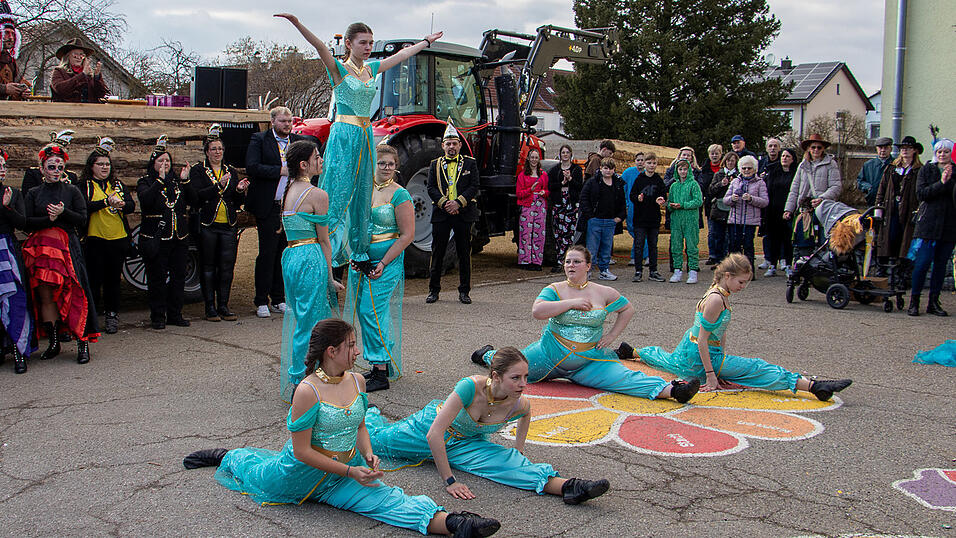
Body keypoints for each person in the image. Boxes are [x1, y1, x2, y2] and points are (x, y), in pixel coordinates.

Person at [183, 319, 502, 538]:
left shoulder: (358, 380)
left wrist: (368, 453)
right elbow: (301, 451)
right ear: (331, 351)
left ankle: (455, 524)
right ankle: (227, 455)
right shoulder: (307, 391)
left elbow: (360, 424)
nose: (358, 351)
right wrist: (351, 471)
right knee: (255, 472)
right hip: (298, 475)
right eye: (351, 345)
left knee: (386, 498)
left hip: (344, 474)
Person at [276, 14, 442, 273]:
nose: (368, 47)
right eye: (363, 42)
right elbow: (319, 46)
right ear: (349, 44)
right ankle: (328, 249)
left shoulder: (371, 69)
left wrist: (425, 42)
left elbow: (401, 56)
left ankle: (359, 249)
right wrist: (297, 23)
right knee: (338, 191)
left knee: (364, 192)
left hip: (365, 135)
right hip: (345, 135)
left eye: (370, 43)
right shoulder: (339, 69)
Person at [365, 347, 610, 504]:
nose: (523, 384)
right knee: (375, 441)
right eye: (516, 378)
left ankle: (570, 486)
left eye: (525, 377)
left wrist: (519, 450)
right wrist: (450, 481)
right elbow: (433, 435)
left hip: (467, 444)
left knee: (508, 464)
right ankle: (370, 412)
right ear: (495, 377)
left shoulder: (519, 403)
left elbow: (526, 415)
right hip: (424, 431)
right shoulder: (470, 386)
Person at [474, 245, 700, 403]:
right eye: (567, 261)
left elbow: (627, 309)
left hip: (588, 362)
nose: (570, 265)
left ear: (588, 266)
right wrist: (570, 303)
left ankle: (674, 391)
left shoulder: (603, 292)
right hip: (548, 355)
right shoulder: (554, 289)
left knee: (623, 377)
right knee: (510, 368)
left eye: (577, 262)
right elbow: (537, 311)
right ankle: (486, 354)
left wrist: (611, 336)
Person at [634, 253, 852, 399]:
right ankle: (815, 387)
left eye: (745, 282)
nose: (743, 287)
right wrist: (711, 374)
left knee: (666, 360)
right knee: (757, 368)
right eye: (741, 282)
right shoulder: (716, 299)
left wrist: (721, 361)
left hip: (695, 351)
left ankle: (633, 351)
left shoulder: (720, 291)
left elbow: (717, 333)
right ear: (727, 276)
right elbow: (702, 340)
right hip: (700, 355)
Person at [343, 144, 413, 393]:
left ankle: (380, 371)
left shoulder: (400, 194)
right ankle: (381, 362)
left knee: (371, 311)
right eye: (382, 163)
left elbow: (407, 235)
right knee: (370, 313)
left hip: (387, 263)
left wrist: (383, 262)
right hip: (362, 261)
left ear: (396, 166)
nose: (386, 168)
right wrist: (354, 255)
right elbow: (353, 225)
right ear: (374, 164)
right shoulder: (365, 190)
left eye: (391, 164)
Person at [279, 140, 343, 402]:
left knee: (302, 318)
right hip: (309, 258)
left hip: (291, 256)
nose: (321, 161)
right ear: (304, 164)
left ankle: (304, 377)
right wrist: (329, 277)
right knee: (313, 322)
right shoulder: (317, 195)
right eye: (317, 157)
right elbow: (325, 241)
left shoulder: (288, 189)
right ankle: (305, 381)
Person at [22, 143, 98, 364]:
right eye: (51, 167)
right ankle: (54, 342)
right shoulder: (34, 193)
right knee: (46, 296)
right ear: (42, 168)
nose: (56, 171)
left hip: (67, 248)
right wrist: (49, 219)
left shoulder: (72, 191)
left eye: (60, 167)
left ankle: (82, 342)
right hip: (43, 251)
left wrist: (64, 212)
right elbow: (26, 222)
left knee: (75, 291)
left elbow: (82, 218)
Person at [245, 106, 306, 318]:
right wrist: (280, 171)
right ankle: (261, 300)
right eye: (283, 121)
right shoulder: (260, 140)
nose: (287, 125)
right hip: (269, 205)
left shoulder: (297, 141)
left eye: (290, 121)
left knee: (284, 254)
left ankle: (279, 298)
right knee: (267, 253)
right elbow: (252, 167)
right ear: (273, 122)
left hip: (291, 207)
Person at [191, 125, 249, 322]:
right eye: (213, 149)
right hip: (208, 224)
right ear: (207, 152)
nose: (217, 152)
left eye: (220, 149)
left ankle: (223, 305)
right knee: (208, 266)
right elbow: (196, 196)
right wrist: (218, 186)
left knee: (227, 266)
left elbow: (236, 201)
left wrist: (239, 190)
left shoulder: (230, 170)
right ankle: (210, 306)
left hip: (228, 225)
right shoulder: (198, 170)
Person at [136, 136, 193, 330]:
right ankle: (158, 316)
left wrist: (186, 181)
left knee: (179, 277)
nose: (165, 164)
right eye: (161, 161)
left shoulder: (177, 182)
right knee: (157, 278)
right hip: (157, 237)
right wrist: (159, 181)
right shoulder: (145, 182)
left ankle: (175, 314)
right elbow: (146, 201)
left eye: (167, 160)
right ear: (153, 164)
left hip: (179, 237)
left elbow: (193, 200)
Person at [81, 137, 135, 335]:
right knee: (94, 280)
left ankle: (112, 315)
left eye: (107, 164)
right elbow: (83, 207)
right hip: (95, 239)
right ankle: (92, 318)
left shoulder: (117, 185)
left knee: (113, 280)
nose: (105, 167)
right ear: (92, 166)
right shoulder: (85, 185)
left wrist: (122, 205)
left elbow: (131, 206)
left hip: (117, 238)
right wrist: (106, 202)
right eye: (100, 164)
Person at [425, 122, 480, 304]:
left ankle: (464, 291)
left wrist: (458, 203)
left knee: (464, 253)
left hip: (463, 213)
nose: (451, 147)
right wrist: (445, 203)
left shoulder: (470, 163)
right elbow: (430, 187)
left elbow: (474, 186)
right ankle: (433, 290)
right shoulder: (434, 164)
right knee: (437, 252)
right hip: (442, 213)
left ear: (460, 145)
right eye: (448, 144)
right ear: (443, 146)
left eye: (454, 143)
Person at [907, 139, 955, 317]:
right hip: (928, 224)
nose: (942, 155)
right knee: (922, 264)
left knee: (940, 265)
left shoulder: (955, 171)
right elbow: (922, 194)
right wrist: (941, 183)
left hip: (949, 225)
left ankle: (934, 302)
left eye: (946, 152)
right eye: (939, 152)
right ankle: (914, 301)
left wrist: (950, 181)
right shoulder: (927, 169)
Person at [0, 147, 33, 373]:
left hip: (7, 249)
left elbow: (23, 223)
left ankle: (18, 350)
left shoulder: (13, 192)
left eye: (3, 165)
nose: (2, 169)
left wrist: (7, 208)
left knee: (14, 299)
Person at [874, 136, 922, 267]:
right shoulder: (891, 168)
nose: (905, 151)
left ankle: (901, 270)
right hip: (891, 208)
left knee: (905, 240)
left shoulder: (918, 170)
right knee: (888, 238)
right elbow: (881, 189)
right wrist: (878, 208)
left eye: (908, 148)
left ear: (914, 150)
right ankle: (883, 269)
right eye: (902, 148)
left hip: (908, 210)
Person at [580, 158, 625, 281]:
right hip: (595, 221)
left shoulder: (618, 184)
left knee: (606, 247)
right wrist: (590, 216)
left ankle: (604, 270)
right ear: (600, 169)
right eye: (605, 168)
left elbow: (622, 201)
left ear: (614, 170)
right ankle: (587, 271)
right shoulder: (592, 182)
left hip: (610, 221)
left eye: (610, 168)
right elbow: (583, 198)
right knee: (592, 248)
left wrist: (620, 217)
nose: (608, 171)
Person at [723, 155, 768, 276]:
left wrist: (751, 199)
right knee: (734, 246)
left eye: (749, 168)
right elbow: (725, 200)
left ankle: (749, 272)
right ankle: (733, 271)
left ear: (755, 169)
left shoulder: (760, 183)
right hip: (734, 220)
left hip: (750, 221)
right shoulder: (735, 181)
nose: (746, 170)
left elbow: (765, 201)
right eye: (744, 168)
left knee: (748, 246)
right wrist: (732, 199)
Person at [783, 134, 842, 221]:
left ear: (823, 149)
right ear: (808, 149)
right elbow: (795, 189)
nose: (816, 150)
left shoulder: (831, 164)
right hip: (804, 209)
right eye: (813, 147)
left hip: (823, 209)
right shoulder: (802, 166)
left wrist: (822, 198)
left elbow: (836, 186)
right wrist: (789, 209)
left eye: (819, 147)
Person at [546, 144, 584, 273]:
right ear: (560, 155)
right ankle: (559, 260)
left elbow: (580, 186)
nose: (565, 155)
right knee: (559, 234)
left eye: (567, 152)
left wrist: (570, 179)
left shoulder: (576, 169)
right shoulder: (555, 170)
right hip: (558, 204)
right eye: (563, 152)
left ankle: (570, 261)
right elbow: (550, 186)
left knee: (570, 234)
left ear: (571, 154)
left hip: (571, 204)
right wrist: (561, 183)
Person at [629, 152, 666, 283]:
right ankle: (638, 271)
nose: (651, 165)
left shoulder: (658, 179)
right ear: (644, 164)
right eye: (649, 163)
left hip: (654, 218)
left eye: (654, 163)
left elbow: (663, 194)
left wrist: (661, 199)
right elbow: (632, 195)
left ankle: (653, 271)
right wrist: (637, 198)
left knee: (653, 245)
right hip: (640, 218)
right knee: (639, 244)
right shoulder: (639, 179)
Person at [762, 148, 798, 276]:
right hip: (773, 210)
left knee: (787, 239)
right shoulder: (773, 172)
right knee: (773, 239)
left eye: (787, 156)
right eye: (783, 156)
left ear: (792, 159)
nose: (784, 158)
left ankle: (788, 264)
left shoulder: (795, 174)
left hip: (788, 211)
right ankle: (772, 265)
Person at [666, 159, 703, 284]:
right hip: (676, 220)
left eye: (685, 169)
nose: (683, 172)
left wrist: (683, 205)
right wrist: (669, 205)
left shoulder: (693, 184)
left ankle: (693, 271)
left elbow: (698, 201)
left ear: (689, 170)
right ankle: (677, 270)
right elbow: (670, 203)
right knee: (676, 245)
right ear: (677, 171)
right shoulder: (673, 186)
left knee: (692, 245)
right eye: (680, 169)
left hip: (690, 219)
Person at [516, 148, 548, 271]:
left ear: (539, 159)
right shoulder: (522, 175)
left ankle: (537, 261)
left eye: (536, 157)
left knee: (539, 234)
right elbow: (519, 193)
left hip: (540, 205)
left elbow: (548, 191)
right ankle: (525, 260)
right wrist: (531, 190)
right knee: (526, 233)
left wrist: (544, 192)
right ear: (528, 159)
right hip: (527, 205)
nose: (534, 160)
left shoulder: (543, 175)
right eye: (532, 157)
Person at [50, 38, 108, 103]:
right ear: (67, 56)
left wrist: (97, 77)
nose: (78, 57)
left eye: (81, 55)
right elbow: (60, 89)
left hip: (89, 108)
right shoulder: (59, 71)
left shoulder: (89, 75)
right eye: (75, 54)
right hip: (66, 108)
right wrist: (82, 75)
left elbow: (101, 94)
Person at [621, 152, 647, 267]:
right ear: (635, 161)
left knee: (643, 231)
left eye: (642, 160)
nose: (640, 162)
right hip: (631, 205)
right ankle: (640, 255)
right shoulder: (628, 173)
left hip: (645, 207)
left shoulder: (648, 174)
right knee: (633, 229)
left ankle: (639, 256)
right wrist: (625, 204)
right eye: (638, 160)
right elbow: (622, 189)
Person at [0, 2, 29, 100]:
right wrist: (4, 89)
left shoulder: (10, 60)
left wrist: (22, 91)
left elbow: (18, 81)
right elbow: (7, 88)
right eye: (7, 33)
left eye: (13, 34)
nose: (11, 38)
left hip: (8, 108)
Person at [700, 144, 723, 264]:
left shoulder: (724, 168)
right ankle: (712, 254)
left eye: (716, 153)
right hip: (710, 203)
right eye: (712, 153)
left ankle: (721, 255)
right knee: (712, 231)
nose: (714, 156)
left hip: (723, 203)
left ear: (721, 154)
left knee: (723, 232)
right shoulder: (704, 169)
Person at [857, 137, 894, 208]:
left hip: (891, 203)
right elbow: (860, 181)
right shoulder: (868, 165)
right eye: (880, 148)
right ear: (876, 149)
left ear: (891, 149)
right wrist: (869, 188)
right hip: (872, 202)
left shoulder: (896, 164)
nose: (883, 150)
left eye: (886, 148)